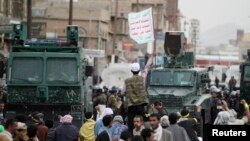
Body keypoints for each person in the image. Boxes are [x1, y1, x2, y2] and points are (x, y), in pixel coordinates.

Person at [124, 62, 149, 132]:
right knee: (141, 123)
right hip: (140, 106)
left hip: (131, 106)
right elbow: (146, 68)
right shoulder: (142, 78)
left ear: (131, 71)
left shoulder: (127, 81)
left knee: (131, 125)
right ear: (139, 71)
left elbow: (123, 92)